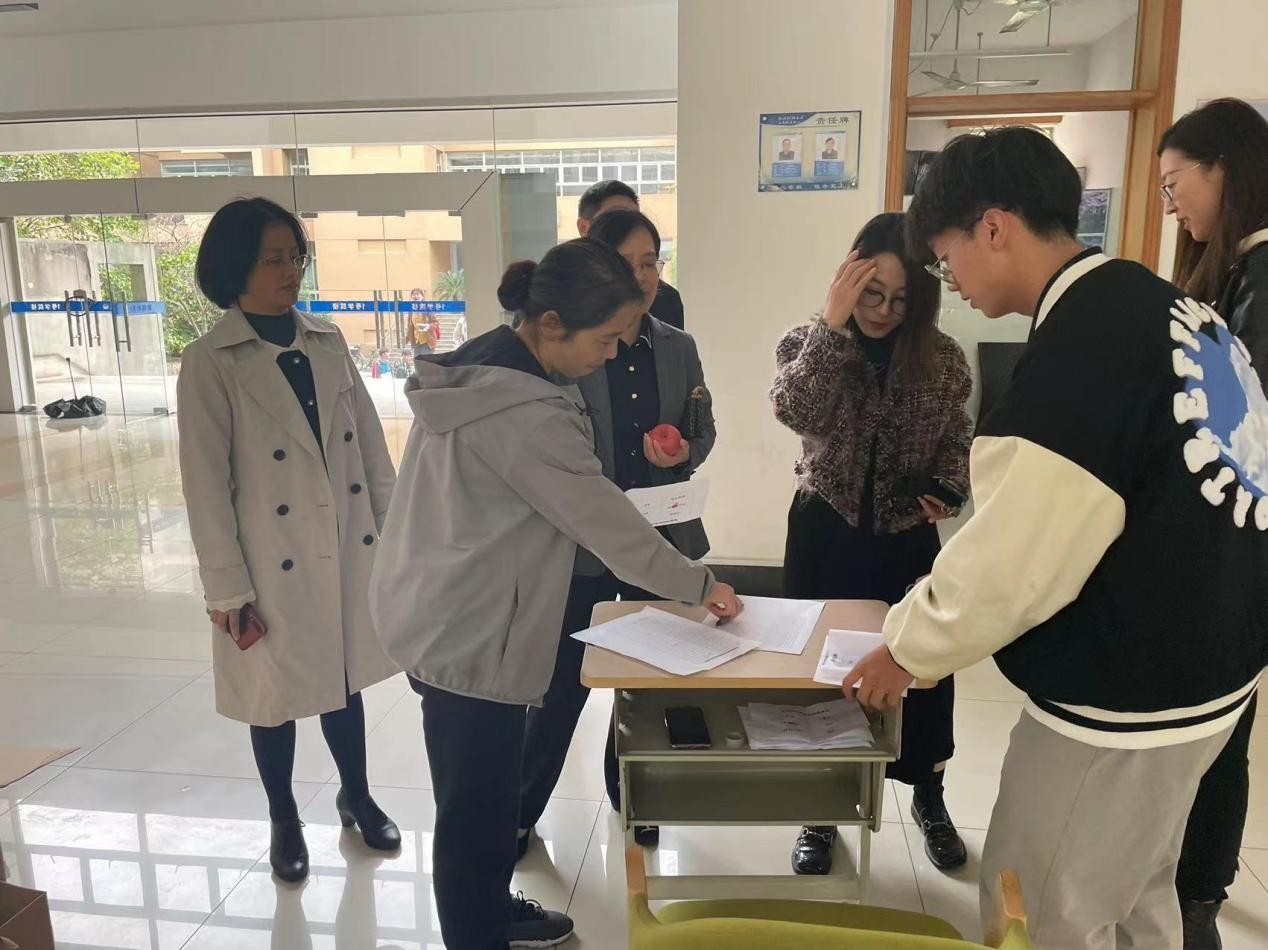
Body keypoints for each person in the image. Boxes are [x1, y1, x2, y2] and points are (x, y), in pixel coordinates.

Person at [843, 126, 1267, 949]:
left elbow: (1014, 561)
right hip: (1215, 673)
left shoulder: (1083, 347)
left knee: (1037, 909)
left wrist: (908, 649)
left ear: (993, 227)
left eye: (946, 259)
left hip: (1124, 703)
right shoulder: (1164, 305)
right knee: (1137, 889)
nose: (951, 283)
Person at [368, 239, 742, 950]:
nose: (613, 354)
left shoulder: (487, 365)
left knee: (484, 797)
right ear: (550, 324)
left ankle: (491, 910)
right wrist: (701, 585)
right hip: (471, 627)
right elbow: (605, 522)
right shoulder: (525, 410)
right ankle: (477, 933)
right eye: (605, 339)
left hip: (446, 602)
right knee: (473, 813)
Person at [177, 197, 402, 884]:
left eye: (295, 256)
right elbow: (205, 486)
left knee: (343, 680)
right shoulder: (211, 361)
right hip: (268, 561)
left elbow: (371, 450)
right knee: (273, 697)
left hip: (344, 545)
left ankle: (356, 795)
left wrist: (398, 539)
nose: (289, 271)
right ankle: (283, 817)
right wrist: (226, 588)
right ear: (235, 267)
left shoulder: (327, 342)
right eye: (273, 258)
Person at [771, 211, 972, 876]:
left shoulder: (943, 358)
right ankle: (820, 811)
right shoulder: (808, 342)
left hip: (906, 538)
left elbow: (958, 438)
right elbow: (797, 411)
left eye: (900, 299)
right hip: (825, 532)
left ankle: (930, 797)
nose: (883, 311)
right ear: (847, 280)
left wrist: (948, 484)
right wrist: (832, 327)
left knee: (923, 667)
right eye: (871, 293)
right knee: (824, 675)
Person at [516, 209, 716, 858]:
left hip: (659, 540)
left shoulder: (678, 346)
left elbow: (703, 429)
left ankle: (632, 794)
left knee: (646, 681)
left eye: (651, 261)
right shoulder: (573, 347)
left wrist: (681, 449)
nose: (643, 275)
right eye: (628, 263)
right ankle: (519, 813)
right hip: (580, 547)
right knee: (561, 686)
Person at [1158, 96, 1268, 950]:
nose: (1171, 205)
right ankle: (1191, 894)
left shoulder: (1262, 281)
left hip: (1236, 550)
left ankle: (1198, 905)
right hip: (1223, 546)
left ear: (1223, 169)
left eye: (1175, 183)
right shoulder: (1234, 274)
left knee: (1218, 734)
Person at [576, 179, 685, 330]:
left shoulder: (666, 300)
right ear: (584, 228)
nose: (628, 227)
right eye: (613, 219)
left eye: (648, 263)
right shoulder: (561, 294)